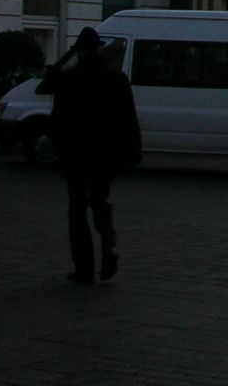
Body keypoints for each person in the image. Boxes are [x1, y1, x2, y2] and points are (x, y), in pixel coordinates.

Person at [50, 26, 142, 285]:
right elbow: (128, 119)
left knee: (77, 210)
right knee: (100, 200)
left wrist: (58, 149)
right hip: (107, 153)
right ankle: (109, 241)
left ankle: (84, 269)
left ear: (79, 51)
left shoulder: (69, 80)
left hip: (76, 153)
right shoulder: (116, 79)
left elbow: (57, 117)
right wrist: (133, 150)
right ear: (100, 49)